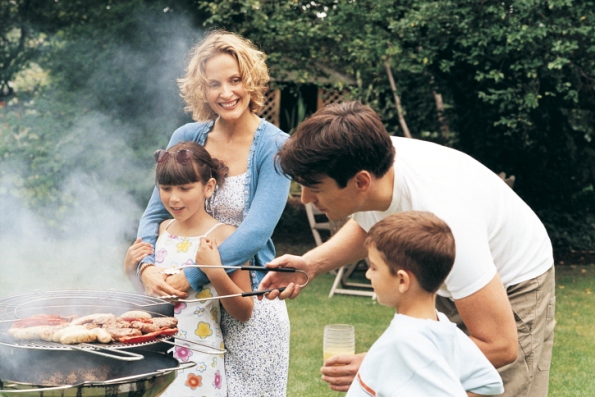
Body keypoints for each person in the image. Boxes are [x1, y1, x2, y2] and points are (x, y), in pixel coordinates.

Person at [260, 101, 555, 397]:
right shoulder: (368, 165)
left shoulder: (448, 215)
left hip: (511, 283)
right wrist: (311, 264)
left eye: (315, 187)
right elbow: (368, 221)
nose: (306, 199)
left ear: (361, 181)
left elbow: (500, 345)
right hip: (440, 279)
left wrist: (384, 364)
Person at [125, 30, 291, 396]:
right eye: (214, 84)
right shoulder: (187, 136)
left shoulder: (276, 147)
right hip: (188, 310)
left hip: (248, 303)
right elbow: (154, 213)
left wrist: (194, 276)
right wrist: (146, 266)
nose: (226, 93)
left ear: (251, 80)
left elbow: (256, 232)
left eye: (235, 80)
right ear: (202, 89)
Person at [126, 141, 253, 396]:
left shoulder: (226, 237)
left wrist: (215, 272)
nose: (174, 198)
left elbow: (244, 311)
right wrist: (132, 271)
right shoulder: (161, 231)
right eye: (165, 188)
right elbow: (149, 299)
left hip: (200, 362)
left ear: (208, 187)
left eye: (185, 188)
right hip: (154, 357)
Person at [347, 211, 503, 397]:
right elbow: (486, 382)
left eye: (373, 267)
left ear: (402, 280)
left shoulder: (406, 342)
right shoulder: (444, 327)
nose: (368, 274)